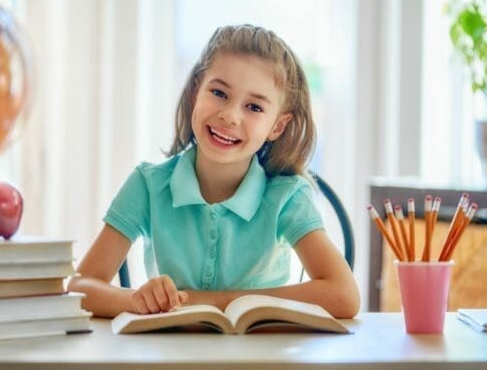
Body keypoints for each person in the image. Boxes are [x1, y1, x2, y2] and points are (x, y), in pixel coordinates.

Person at [68, 24, 360, 318]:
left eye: (254, 107)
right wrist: (136, 301)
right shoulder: (147, 185)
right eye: (219, 92)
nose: (230, 116)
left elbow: (344, 295)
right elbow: (81, 287)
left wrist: (211, 301)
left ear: (277, 126)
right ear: (196, 90)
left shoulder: (288, 197)